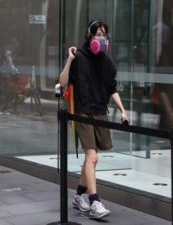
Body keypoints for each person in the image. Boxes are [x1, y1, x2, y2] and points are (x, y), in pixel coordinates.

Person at [59, 19, 128, 219]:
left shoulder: (107, 62)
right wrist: (69, 59)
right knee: (93, 157)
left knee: (92, 159)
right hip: (81, 111)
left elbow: (112, 88)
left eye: (104, 34)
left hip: (100, 111)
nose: (101, 38)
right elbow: (63, 83)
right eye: (98, 34)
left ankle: (79, 195)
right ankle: (94, 201)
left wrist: (122, 110)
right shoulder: (78, 57)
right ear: (90, 36)